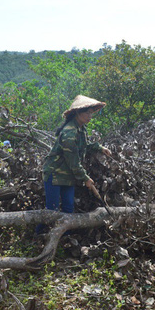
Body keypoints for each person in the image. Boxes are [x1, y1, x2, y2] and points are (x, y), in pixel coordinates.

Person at [38, 95, 111, 232]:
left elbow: (84, 147)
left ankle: (65, 239)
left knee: (68, 209)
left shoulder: (81, 129)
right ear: (78, 113)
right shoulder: (69, 133)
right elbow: (73, 162)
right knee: (52, 211)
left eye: (91, 113)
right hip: (55, 174)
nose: (90, 116)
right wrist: (86, 179)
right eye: (87, 113)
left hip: (68, 176)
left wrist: (100, 148)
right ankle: (38, 235)